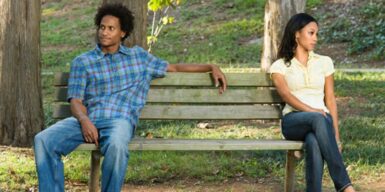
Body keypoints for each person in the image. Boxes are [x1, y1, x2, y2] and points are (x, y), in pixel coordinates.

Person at [34, 3, 227, 192]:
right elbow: (75, 100)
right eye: (102, 27)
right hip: (88, 120)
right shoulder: (83, 62)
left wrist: (211, 67)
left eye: (111, 28)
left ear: (123, 33)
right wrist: (84, 121)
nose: (104, 32)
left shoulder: (139, 58)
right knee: (43, 140)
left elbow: (174, 68)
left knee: (117, 145)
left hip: (120, 120)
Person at [270, 13, 355, 192]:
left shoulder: (324, 62)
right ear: (296, 34)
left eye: (316, 34)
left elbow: (330, 99)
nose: (315, 38)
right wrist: (313, 110)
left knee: (314, 140)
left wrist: (336, 137)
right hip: (293, 121)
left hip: (322, 121)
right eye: (311, 33)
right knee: (318, 119)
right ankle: (345, 186)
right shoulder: (280, 66)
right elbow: (286, 96)